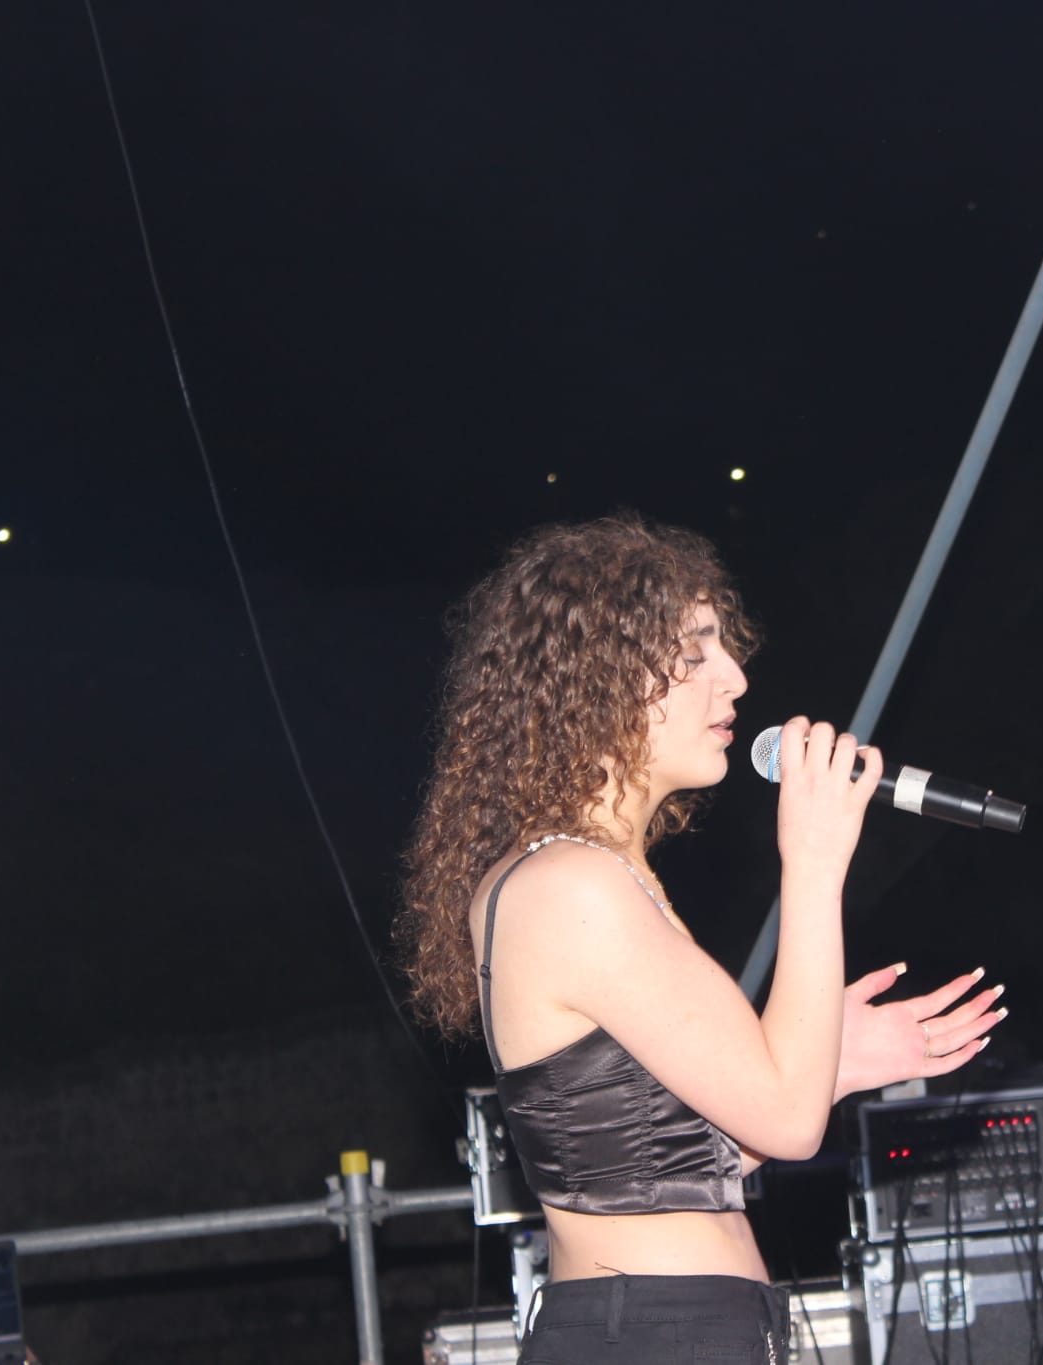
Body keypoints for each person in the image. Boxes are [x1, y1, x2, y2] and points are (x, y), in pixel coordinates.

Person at [400, 514, 1005, 1362]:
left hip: (672, 1326)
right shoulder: (571, 887)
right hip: (651, 1332)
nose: (736, 678)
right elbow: (789, 1125)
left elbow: (668, 1164)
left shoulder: (602, 876)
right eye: (696, 654)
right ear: (602, 678)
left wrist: (829, 1064)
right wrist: (813, 862)